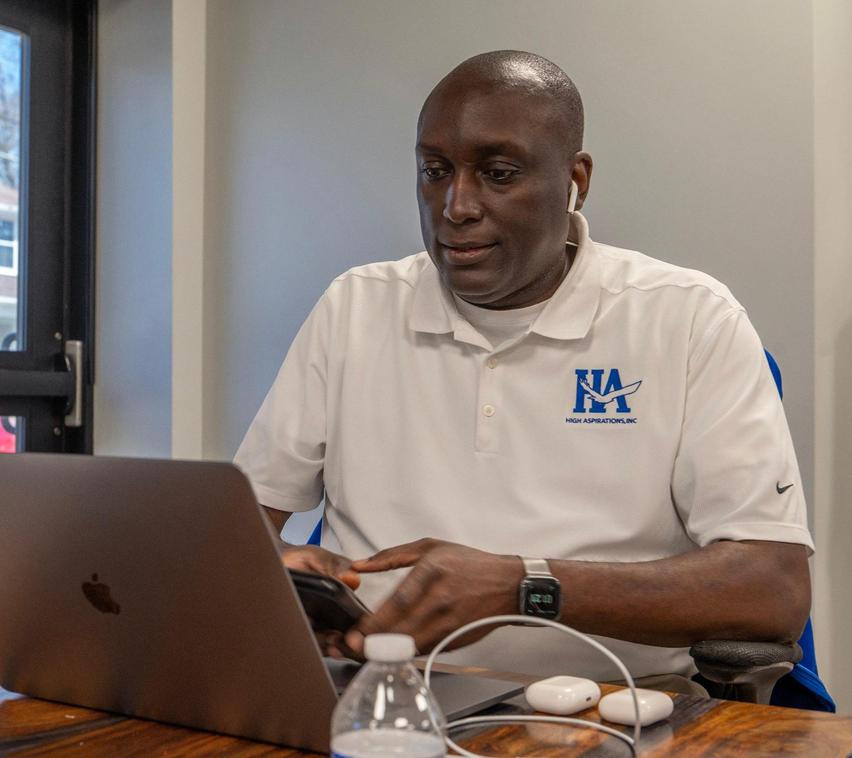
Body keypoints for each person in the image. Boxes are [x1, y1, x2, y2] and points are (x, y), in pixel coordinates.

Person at [232, 50, 813, 689]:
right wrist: (283, 567)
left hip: (610, 708)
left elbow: (771, 591)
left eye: (499, 173)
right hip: (383, 695)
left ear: (576, 180)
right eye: (434, 171)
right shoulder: (356, 306)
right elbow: (242, 523)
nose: (455, 206)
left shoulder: (688, 319)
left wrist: (523, 585)